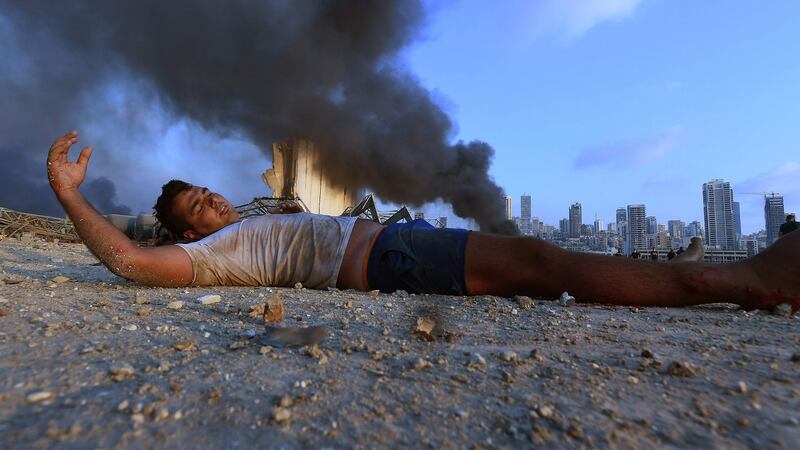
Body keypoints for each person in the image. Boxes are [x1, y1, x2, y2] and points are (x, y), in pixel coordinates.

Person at [47, 131, 800, 312]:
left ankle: (704, 275)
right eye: (196, 211)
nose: (213, 204)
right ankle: (728, 279)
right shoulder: (210, 257)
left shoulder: (249, 218)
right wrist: (71, 195)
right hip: (391, 262)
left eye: (209, 194)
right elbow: (131, 264)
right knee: (542, 263)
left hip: (394, 245)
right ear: (186, 235)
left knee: (539, 261)